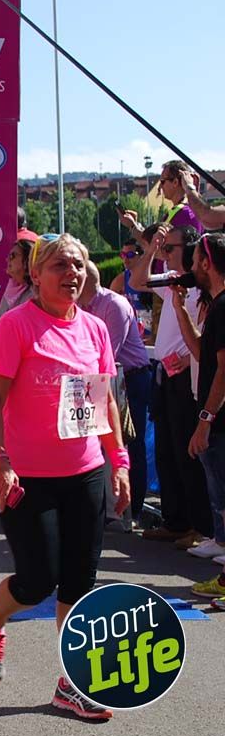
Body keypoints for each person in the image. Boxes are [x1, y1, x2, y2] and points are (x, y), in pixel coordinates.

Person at [0, 233, 131, 721]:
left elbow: (103, 400)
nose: (73, 273)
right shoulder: (16, 326)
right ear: (36, 274)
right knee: (38, 579)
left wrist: (119, 462)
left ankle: (72, 683)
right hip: (27, 476)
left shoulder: (94, 330)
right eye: (61, 264)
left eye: (80, 264)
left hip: (83, 471)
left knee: (80, 583)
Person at [128, 225, 211, 545]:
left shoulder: (201, 290)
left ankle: (198, 525)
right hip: (163, 374)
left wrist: (189, 361)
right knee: (166, 451)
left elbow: (211, 340)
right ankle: (175, 519)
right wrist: (151, 251)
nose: (166, 254)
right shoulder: (174, 282)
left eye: (171, 248)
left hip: (186, 377)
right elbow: (138, 281)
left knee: (186, 453)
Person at [79, 262, 151, 529]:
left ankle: (134, 509)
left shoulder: (114, 305)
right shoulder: (82, 308)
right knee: (98, 445)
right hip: (102, 381)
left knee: (131, 443)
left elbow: (106, 353)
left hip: (130, 380)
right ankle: (107, 507)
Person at [176, 234, 225, 600]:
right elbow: (200, 352)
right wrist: (179, 308)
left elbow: (224, 368)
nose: (190, 269)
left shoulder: (224, 306)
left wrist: (205, 419)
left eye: (194, 261)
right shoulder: (216, 306)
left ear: (207, 263)